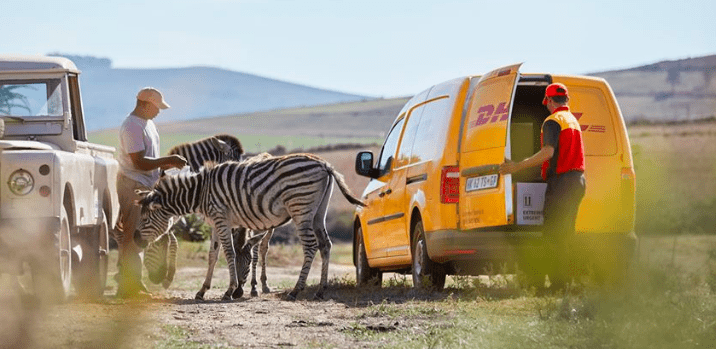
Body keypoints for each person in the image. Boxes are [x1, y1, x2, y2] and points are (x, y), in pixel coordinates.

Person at [499, 83, 586, 290]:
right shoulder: (572, 120)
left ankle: (557, 285)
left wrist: (516, 167)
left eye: (545, 101)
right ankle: (565, 284)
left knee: (552, 234)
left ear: (548, 101)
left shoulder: (552, 121)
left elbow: (548, 152)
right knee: (566, 235)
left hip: (563, 183)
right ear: (567, 100)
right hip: (578, 181)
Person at [114, 87, 187, 298]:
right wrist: (169, 161)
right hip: (133, 184)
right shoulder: (132, 127)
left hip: (145, 184)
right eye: (157, 107)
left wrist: (163, 170)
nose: (159, 112)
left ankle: (132, 283)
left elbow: (149, 160)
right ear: (145, 104)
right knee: (132, 236)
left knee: (141, 234)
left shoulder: (148, 125)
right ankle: (129, 287)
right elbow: (138, 162)